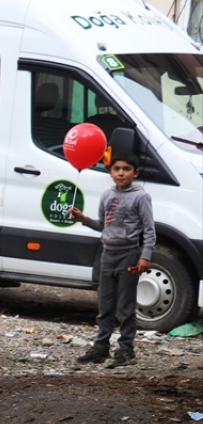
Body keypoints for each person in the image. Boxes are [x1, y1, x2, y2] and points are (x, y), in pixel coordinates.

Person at [69, 153, 155, 368]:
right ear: (110, 172)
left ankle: (126, 350)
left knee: (125, 307)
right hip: (108, 254)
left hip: (129, 255)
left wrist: (145, 256)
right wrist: (84, 219)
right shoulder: (107, 195)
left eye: (126, 169)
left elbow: (149, 230)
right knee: (105, 306)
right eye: (116, 169)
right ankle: (100, 348)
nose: (121, 173)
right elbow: (103, 226)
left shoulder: (141, 197)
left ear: (135, 173)